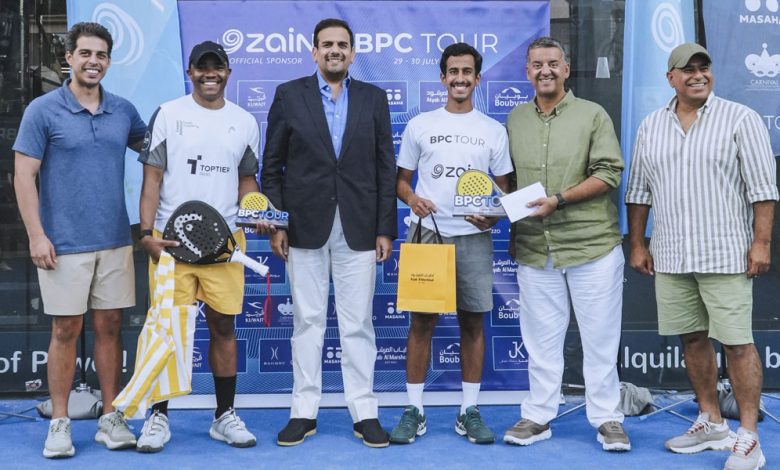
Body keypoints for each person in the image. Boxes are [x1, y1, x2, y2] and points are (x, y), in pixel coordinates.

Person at [626, 43, 777, 470]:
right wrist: (637, 243)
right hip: (672, 255)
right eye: (687, 69)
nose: (697, 74)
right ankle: (711, 421)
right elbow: (638, 192)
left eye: (703, 67)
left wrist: (762, 243)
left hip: (726, 254)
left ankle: (749, 437)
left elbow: (763, 190)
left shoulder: (740, 118)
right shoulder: (651, 125)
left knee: (738, 344)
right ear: (670, 78)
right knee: (691, 340)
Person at [261, 18, 396, 448]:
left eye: (342, 44)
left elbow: (385, 167)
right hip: (303, 226)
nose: (334, 50)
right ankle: (303, 411)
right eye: (327, 44)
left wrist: (385, 228)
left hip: (360, 225)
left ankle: (364, 411)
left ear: (353, 53)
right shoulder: (289, 95)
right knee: (307, 321)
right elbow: (272, 166)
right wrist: (278, 222)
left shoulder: (373, 98)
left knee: (358, 323)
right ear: (314, 51)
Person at [13, 22, 144, 458]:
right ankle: (60, 422)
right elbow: (23, 176)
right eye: (85, 53)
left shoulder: (124, 111)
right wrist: (36, 235)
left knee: (110, 328)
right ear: (68, 57)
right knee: (65, 329)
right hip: (62, 243)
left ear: (109, 61)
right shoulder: (42, 110)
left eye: (101, 55)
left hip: (114, 240)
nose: (93, 61)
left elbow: (160, 156)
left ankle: (111, 417)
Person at [503, 36, 630, 451]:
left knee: (600, 340)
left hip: (591, 247)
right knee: (540, 342)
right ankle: (538, 416)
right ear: (527, 72)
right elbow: (512, 184)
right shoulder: (515, 119)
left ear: (566, 69)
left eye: (553, 64)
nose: (546, 71)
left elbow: (609, 173)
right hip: (535, 248)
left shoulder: (592, 115)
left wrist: (558, 200)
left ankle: (607, 418)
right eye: (537, 64)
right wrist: (507, 227)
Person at [136, 40, 260, 452]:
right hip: (172, 243)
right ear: (189, 72)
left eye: (217, 67)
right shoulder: (168, 114)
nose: (210, 74)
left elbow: (247, 181)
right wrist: (147, 233)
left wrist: (255, 210)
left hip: (226, 243)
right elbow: (152, 179)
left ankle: (224, 415)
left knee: (223, 327)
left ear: (228, 73)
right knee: (167, 330)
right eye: (202, 67)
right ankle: (157, 416)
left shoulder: (245, 121)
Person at [390, 42, 512, 446]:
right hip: (427, 235)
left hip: (473, 237)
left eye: (467, 72)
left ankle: (468, 411)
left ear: (478, 78)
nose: (460, 78)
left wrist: (493, 215)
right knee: (421, 323)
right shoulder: (419, 125)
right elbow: (401, 181)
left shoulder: (493, 130)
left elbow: (504, 191)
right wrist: (412, 199)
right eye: (453, 72)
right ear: (442, 78)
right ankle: (414, 410)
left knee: (473, 323)